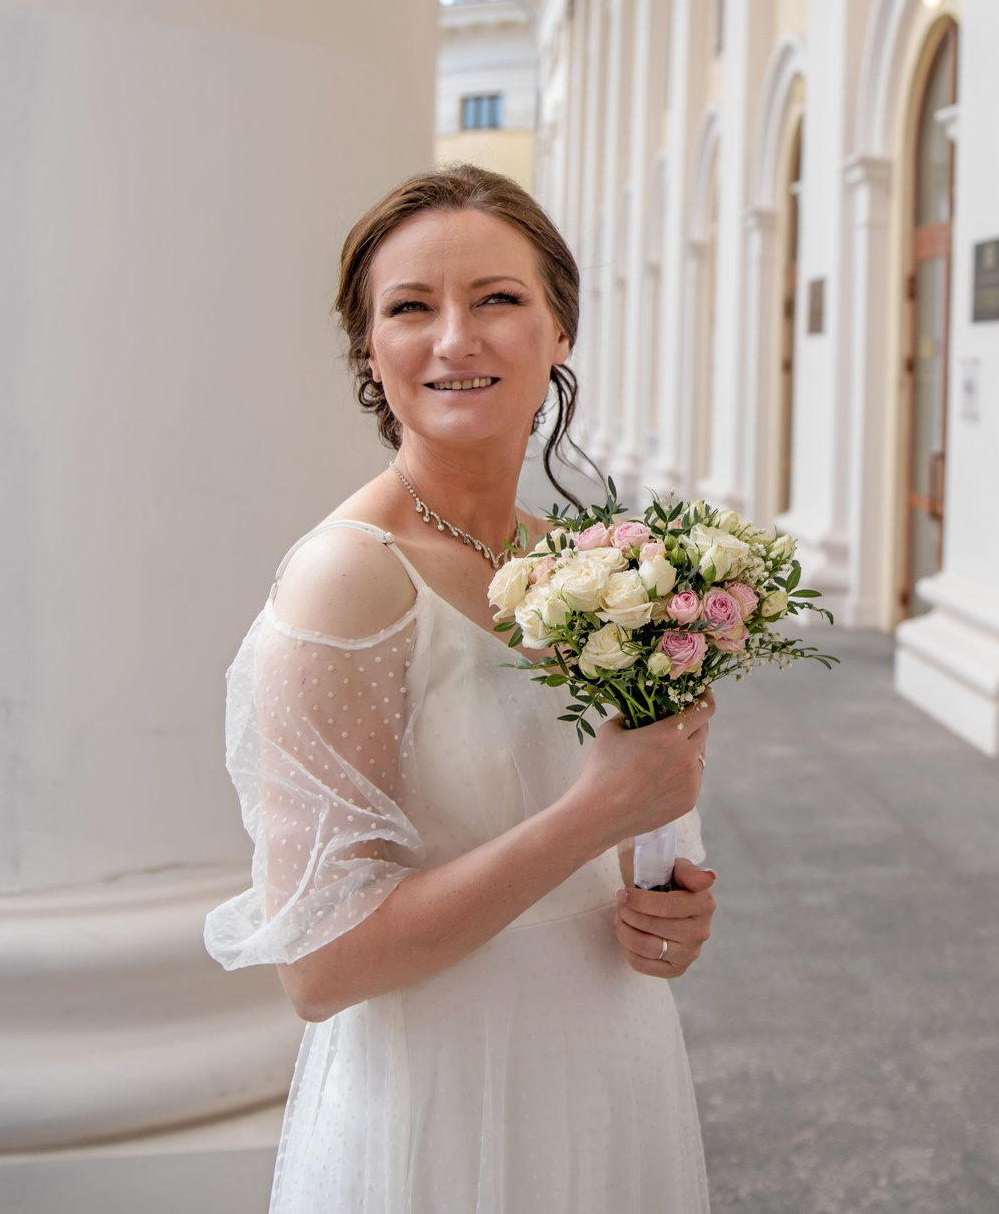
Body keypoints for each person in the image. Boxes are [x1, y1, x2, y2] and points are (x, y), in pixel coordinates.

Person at [206, 166, 717, 1213]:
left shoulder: (590, 570)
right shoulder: (347, 578)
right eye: (410, 308)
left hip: (608, 1064)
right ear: (367, 349)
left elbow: (622, 831)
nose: (455, 339)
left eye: (496, 298)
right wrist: (593, 817)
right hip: (447, 1094)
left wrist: (666, 902)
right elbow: (322, 966)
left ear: (559, 330)